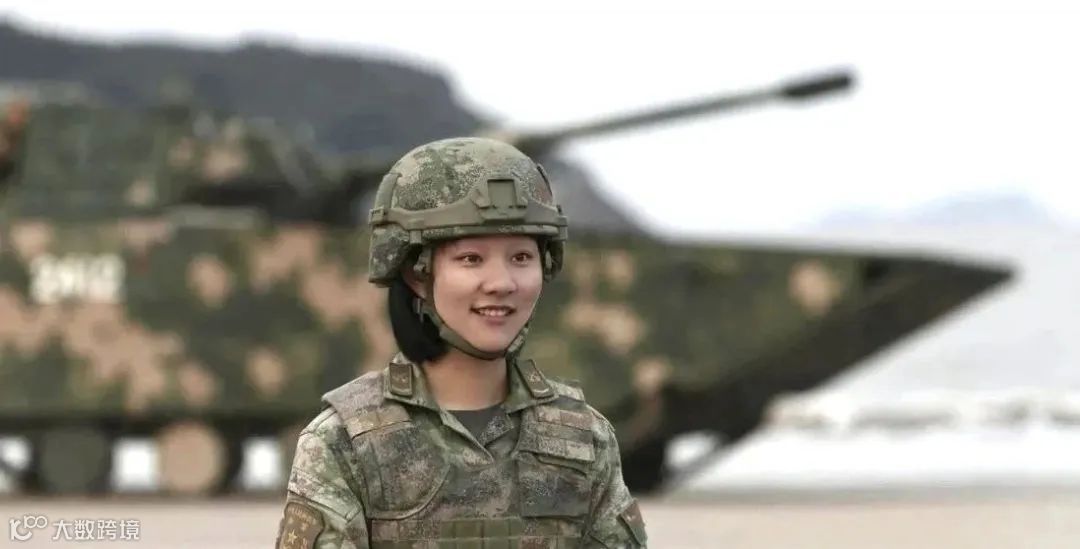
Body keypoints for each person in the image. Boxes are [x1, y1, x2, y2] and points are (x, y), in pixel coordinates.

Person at [275, 137, 648, 549]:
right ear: (416, 274)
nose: (502, 283)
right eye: (471, 259)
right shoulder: (344, 441)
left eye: (521, 258)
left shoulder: (585, 437)